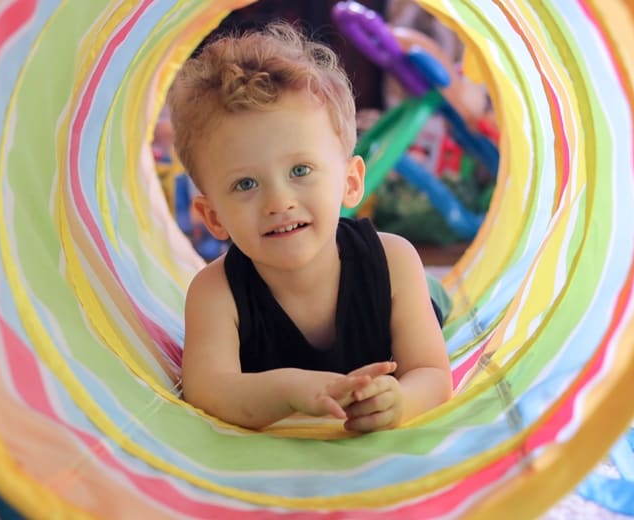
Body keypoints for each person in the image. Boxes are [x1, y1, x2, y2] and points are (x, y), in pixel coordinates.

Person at [168, 22, 452, 433]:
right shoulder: (215, 293)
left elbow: (431, 371)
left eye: (300, 170)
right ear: (213, 217)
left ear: (351, 182)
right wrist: (289, 390)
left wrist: (402, 400)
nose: (279, 202)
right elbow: (208, 389)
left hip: (411, 291)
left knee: (431, 295)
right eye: (245, 184)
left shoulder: (394, 262)